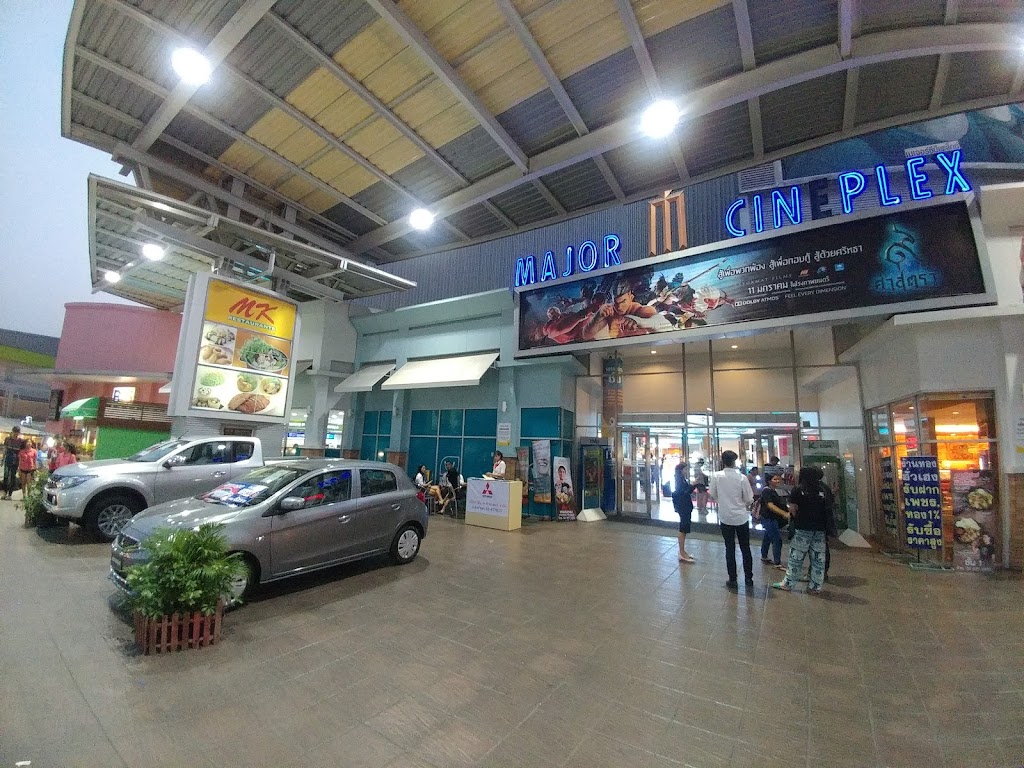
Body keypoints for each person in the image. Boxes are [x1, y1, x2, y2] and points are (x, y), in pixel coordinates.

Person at [773, 467, 837, 595]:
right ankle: (815, 586)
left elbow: (792, 509)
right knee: (818, 559)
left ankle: (788, 583)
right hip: (820, 529)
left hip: (802, 528)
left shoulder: (798, 490)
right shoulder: (823, 490)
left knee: (796, 557)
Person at [708, 450, 755, 588]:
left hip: (725, 517)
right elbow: (749, 498)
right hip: (741, 517)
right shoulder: (742, 478)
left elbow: (712, 494)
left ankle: (732, 579)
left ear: (723, 461)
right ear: (734, 461)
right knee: (745, 548)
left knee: (729, 548)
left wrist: (722, 502)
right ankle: (748, 578)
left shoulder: (716, 476)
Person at [758, 473, 789, 571]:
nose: (778, 481)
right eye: (775, 479)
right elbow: (770, 505)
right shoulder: (767, 491)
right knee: (777, 539)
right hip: (768, 518)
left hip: (771, 518)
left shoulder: (773, 491)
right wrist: (784, 513)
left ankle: (764, 555)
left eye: (778, 479)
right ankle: (777, 563)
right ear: (769, 481)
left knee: (767, 537)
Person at [672, 462, 695, 563]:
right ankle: (681, 552)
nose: (687, 471)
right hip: (683, 506)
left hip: (684, 506)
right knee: (683, 528)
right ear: (681, 470)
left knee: (684, 528)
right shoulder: (679, 481)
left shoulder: (680, 480)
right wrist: (692, 486)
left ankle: (683, 551)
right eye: (685, 469)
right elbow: (684, 492)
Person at [3, 426, 25, 500]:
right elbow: (5, 449)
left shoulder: (21, 441)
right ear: (12, 432)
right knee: (6, 476)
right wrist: (2, 459)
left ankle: (10, 494)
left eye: (17, 432)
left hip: (16, 461)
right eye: (15, 432)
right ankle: (4, 493)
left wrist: (21, 463)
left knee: (13, 477)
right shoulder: (7, 439)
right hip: (8, 459)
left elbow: (22, 453)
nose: (16, 434)